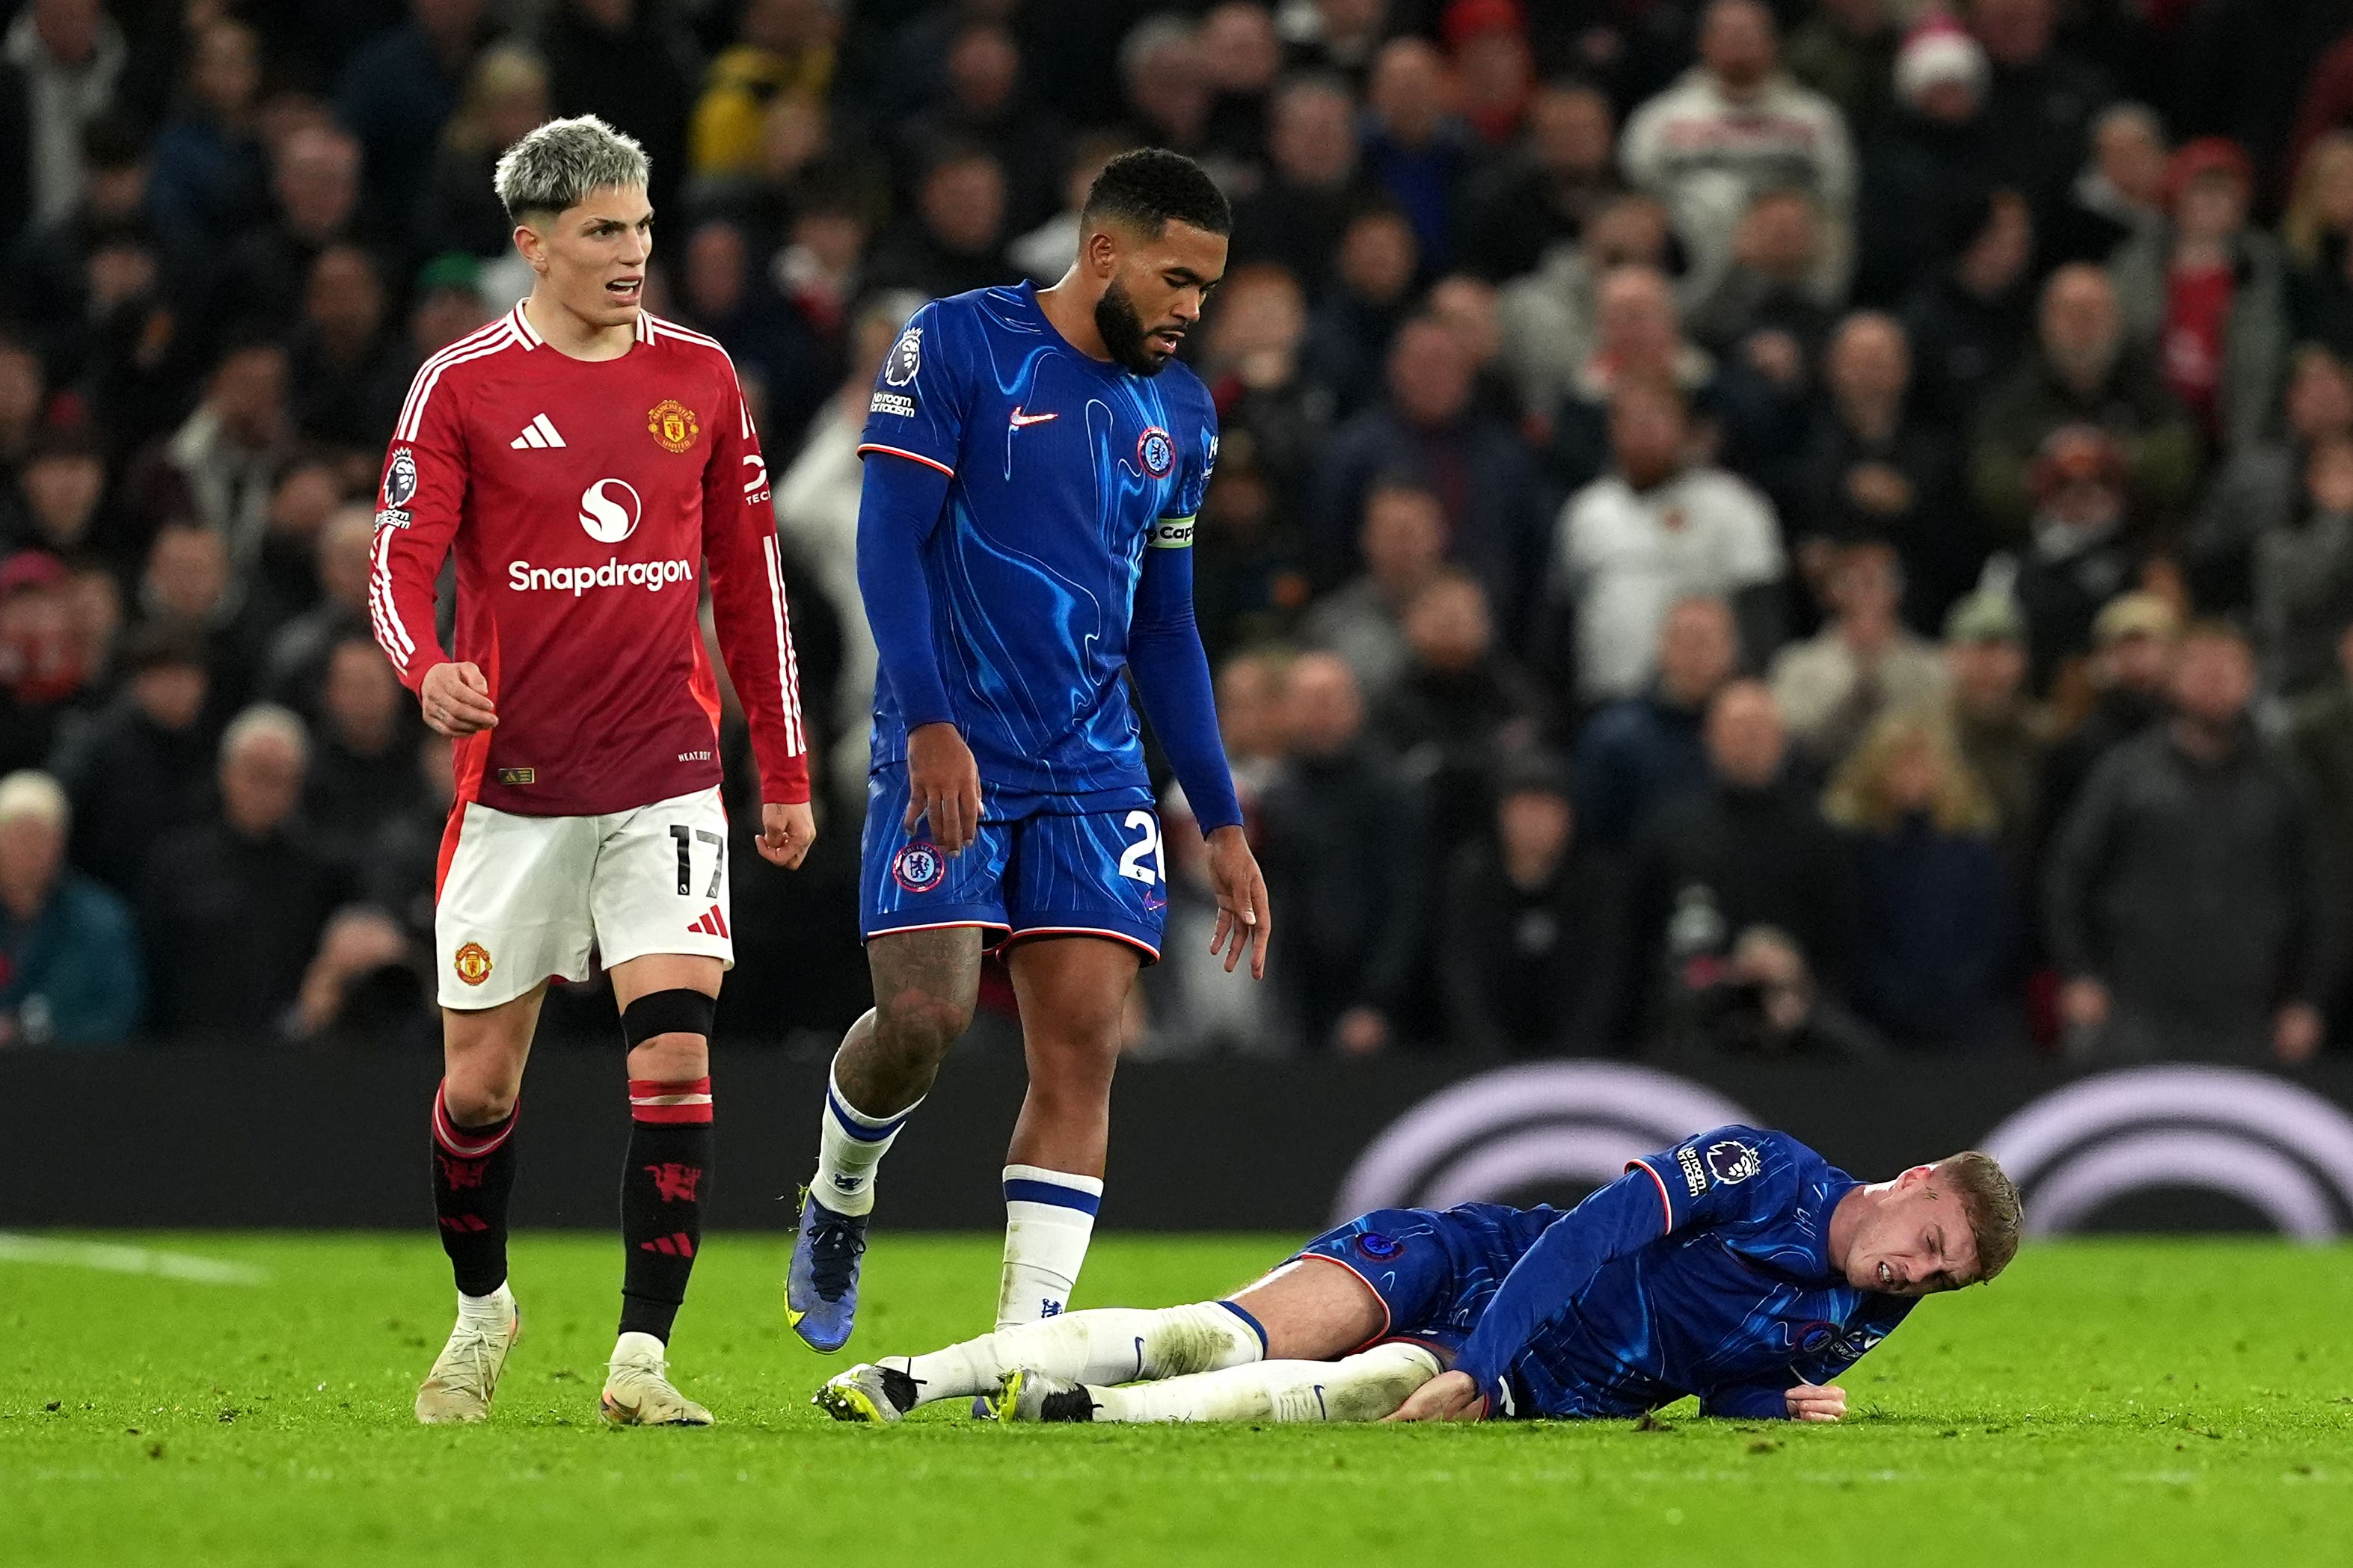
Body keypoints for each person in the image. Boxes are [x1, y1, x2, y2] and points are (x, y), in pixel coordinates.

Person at [369, 117, 817, 1429]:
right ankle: (481, 1309)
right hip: (515, 788)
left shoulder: (703, 375)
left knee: (675, 1058)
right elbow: (399, 555)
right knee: (480, 1090)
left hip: (666, 776)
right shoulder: (460, 386)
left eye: (642, 225)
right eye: (605, 231)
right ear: (536, 246)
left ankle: (640, 1356)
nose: (635, 252)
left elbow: (752, 583)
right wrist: (425, 667)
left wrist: (779, 769)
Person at [785, 150, 1268, 1362]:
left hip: (1093, 764)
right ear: (1102, 251)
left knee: (1084, 1040)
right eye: (1175, 279)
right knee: (927, 1015)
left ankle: (1022, 1348)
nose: (1189, 310)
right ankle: (841, 1190)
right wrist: (933, 722)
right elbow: (888, 546)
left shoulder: (1183, 415)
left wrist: (1217, 814)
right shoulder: (953, 345)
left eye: (1206, 291)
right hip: (946, 740)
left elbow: (1165, 626)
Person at [814, 1128, 2021, 1426]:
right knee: (1225, 1337)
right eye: (1927, 1238)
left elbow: (1725, 1377)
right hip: (1479, 1263)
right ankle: (915, 1375)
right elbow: (1594, 1230)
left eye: (1940, 1276)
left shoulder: (1871, 1309)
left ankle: (1072, 1410)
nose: (1914, 1270)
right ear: (1913, 1176)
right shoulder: (1769, 1171)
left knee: (1350, 1393)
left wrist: (1782, 1405)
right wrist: (1487, 1360)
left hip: (1536, 1380)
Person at [2046, 622, 2334, 1064]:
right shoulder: (2124, 776)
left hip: (2251, 1015)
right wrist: (2080, 972)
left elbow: (2322, 896)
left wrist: (2308, 999)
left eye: (2228, 666)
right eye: (2201, 665)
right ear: (2173, 678)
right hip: (2135, 1011)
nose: (2214, 678)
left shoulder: (2285, 783)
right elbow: (2068, 877)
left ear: (2251, 679)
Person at [1438, 752, 1622, 1057]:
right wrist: (1486, 1050)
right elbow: (1459, 971)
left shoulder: (1597, 883)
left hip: (1577, 1061)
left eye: (1548, 810)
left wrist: (1574, 1052)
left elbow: (1605, 977)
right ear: (1500, 814)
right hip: (1483, 1059)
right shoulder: (1470, 878)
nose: (1536, 823)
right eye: (1525, 810)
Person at [0, 767, 141, 1046]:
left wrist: (36, 1035)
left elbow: (120, 1014)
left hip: (74, 1078)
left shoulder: (102, 921)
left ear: (61, 842)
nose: (29, 848)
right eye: (17, 834)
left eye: (40, 835)